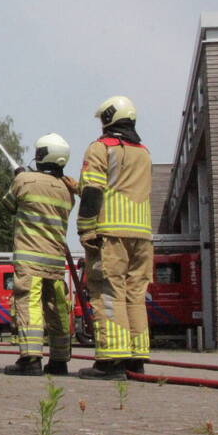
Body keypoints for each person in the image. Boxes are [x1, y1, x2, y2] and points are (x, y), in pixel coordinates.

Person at [76, 96, 153, 380]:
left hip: (111, 233)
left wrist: (85, 228)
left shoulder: (100, 148)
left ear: (108, 118)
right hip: (142, 236)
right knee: (135, 294)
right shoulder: (144, 152)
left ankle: (111, 361)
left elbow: (93, 191)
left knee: (109, 293)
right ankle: (137, 358)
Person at [1, 133, 78, 376]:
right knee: (57, 309)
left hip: (30, 260)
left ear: (41, 155)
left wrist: (20, 177)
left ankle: (31, 360)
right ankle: (59, 360)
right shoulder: (67, 191)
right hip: (55, 262)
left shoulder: (24, 180)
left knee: (29, 305)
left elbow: (7, 204)